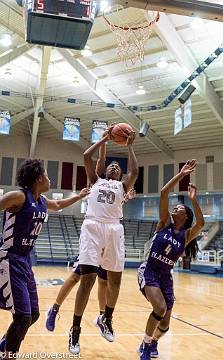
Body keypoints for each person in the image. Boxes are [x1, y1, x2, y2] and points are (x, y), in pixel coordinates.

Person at [0, 159, 90, 359]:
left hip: (25, 260)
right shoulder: (18, 196)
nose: (50, 179)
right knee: (22, 317)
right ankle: (8, 355)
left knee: (33, 315)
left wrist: (80, 196)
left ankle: (5, 344)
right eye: (47, 175)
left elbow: (57, 205)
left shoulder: (40, 200)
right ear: (39, 177)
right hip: (9, 258)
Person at [68, 127, 138, 355]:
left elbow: (134, 172)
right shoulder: (95, 180)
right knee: (87, 280)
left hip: (114, 229)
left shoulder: (122, 186)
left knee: (114, 281)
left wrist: (129, 146)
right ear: (104, 169)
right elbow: (87, 156)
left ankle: (106, 318)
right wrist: (104, 140)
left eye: (118, 167)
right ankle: (75, 329)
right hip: (93, 226)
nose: (115, 167)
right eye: (111, 165)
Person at [137, 159, 205, 360]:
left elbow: (201, 223)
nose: (175, 208)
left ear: (185, 216)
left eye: (180, 208)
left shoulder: (185, 236)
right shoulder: (164, 222)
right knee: (159, 308)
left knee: (165, 324)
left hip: (166, 276)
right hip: (149, 270)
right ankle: (145, 345)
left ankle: (154, 340)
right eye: (175, 207)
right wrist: (182, 175)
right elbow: (164, 192)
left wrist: (193, 199)